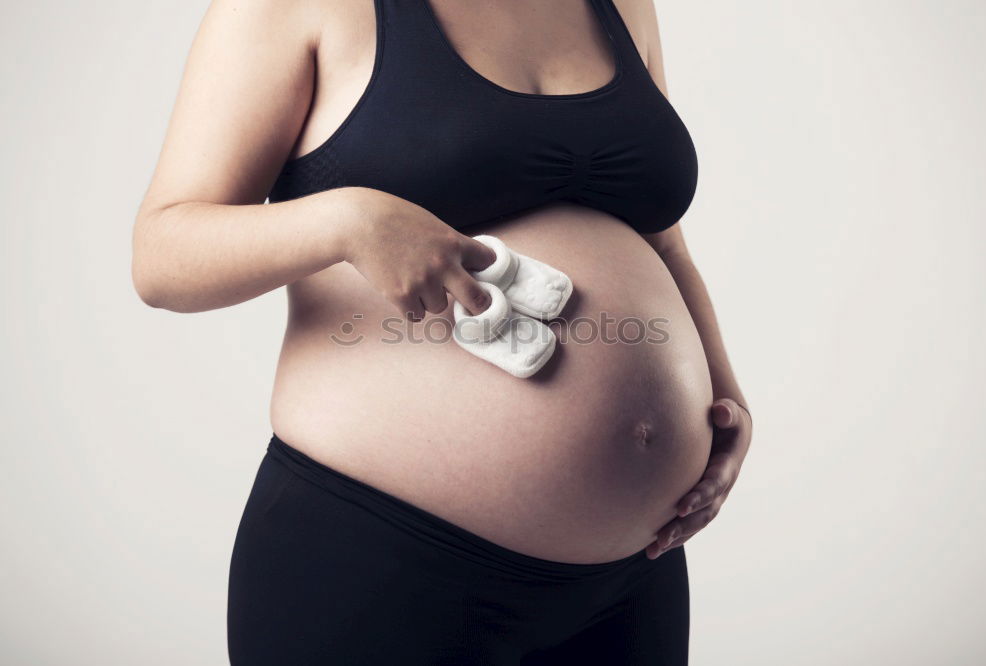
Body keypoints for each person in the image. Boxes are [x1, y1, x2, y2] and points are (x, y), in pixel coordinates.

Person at [132, 0, 753, 663]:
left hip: (633, 576)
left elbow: (664, 242)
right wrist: (348, 221)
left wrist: (722, 395)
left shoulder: (622, 6)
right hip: (379, 558)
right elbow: (161, 257)